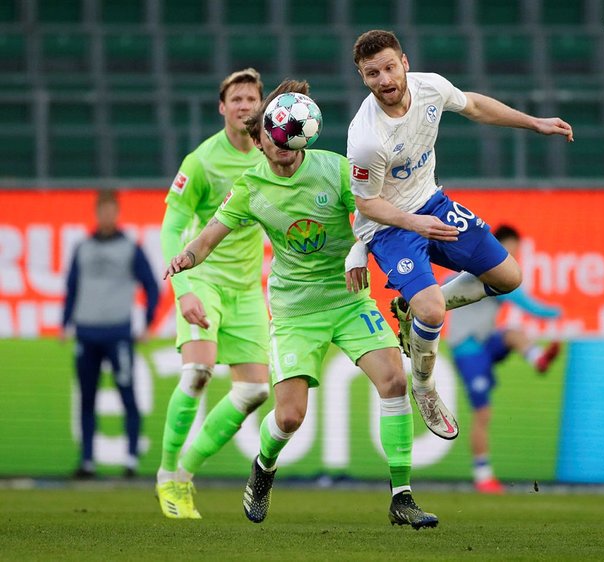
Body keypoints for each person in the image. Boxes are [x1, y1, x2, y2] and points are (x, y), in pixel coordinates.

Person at [165, 79, 439, 530]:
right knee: (289, 416)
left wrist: (364, 252)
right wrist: (186, 258)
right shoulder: (249, 188)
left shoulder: (334, 169)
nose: (286, 145)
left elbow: (370, 213)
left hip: (348, 301)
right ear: (260, 141)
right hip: (295, 312)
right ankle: (263, 468)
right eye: (276, 137)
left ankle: (401, 496)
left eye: (294, 136)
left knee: (393, 380)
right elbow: (208, 236)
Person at [346, 29, 573, 441]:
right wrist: (413, 224)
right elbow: (366, 205)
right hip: (389, 227)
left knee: (509, 278)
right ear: (363, 77)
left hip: (433, 203)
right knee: (433, 311)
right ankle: (425, 386)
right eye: (371, 73)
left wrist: (534, 123)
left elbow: (475, 107)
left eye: (389, 67)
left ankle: (408, 307)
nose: (383, 79)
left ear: (405, 63)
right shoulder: (365, 139)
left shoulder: (430, 88)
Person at [156, 68, 271, 519]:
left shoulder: (271, 158)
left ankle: (185, 473)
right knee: (199, 369)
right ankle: (165, 475)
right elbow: (171, 227)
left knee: (255, 391)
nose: (244, 106)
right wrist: (183, 290)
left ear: (261, 107)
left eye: (251, 99)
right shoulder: (201, 161)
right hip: (203, 279)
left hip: (246, 289)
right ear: (222, 108)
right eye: (236, 100)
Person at [446, 224, 562, 494]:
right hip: (467, 349)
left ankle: (537, 359)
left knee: (513, 333)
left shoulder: (495, 273)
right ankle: (483, 476)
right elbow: (527, 303)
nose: (513, 257)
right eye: (510, 250)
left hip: (485, 343)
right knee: (482, 413)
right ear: (498, 246)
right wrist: (557, 314)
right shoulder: (485, 270)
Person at [60, 189, 160, 479]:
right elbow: (71, 287)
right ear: (96, 212)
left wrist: (148, 322)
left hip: (118, 333)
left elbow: (151, 286)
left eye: (110, 211)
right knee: (87, 399)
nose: (106, 216)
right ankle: (87, 461)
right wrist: (65, 322)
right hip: (87, 332)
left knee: (127, 396)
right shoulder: (83, 247)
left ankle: (130, 459)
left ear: (116, 213)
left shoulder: (130, 247)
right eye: (101, 211)